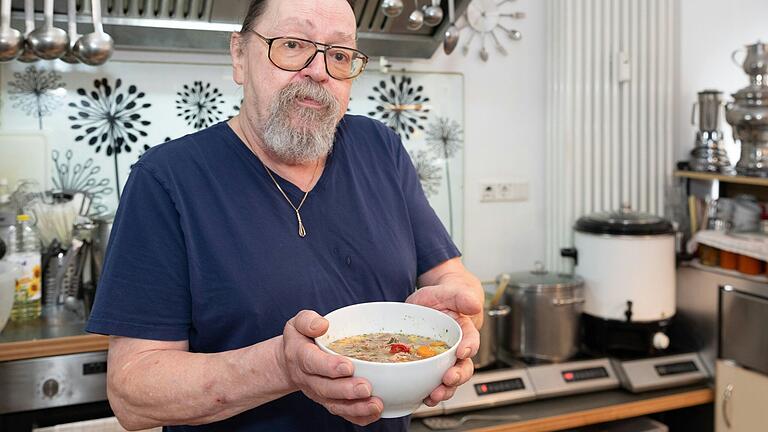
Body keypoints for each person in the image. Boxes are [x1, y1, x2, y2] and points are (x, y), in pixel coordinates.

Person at [85, 0, 484, 430]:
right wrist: (282, 366)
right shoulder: (167, 179)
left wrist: (459, 324)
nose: (319, 71)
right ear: (239, 55)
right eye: (292, 45)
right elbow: (132, 392)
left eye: (339, 54)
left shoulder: (379, 148)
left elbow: (451, 279)